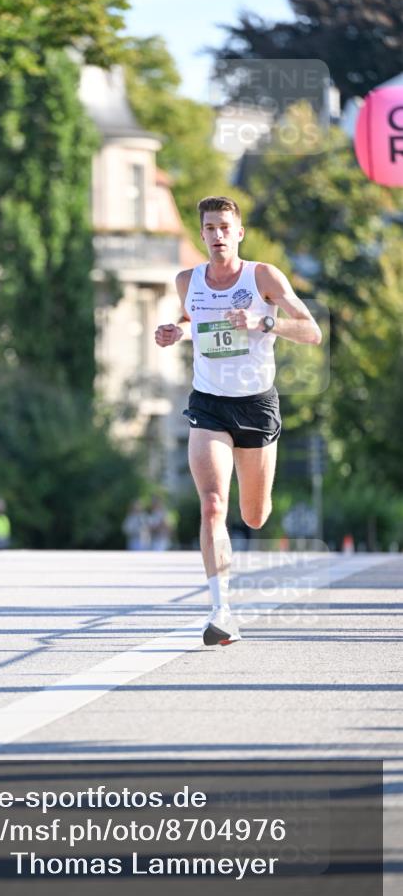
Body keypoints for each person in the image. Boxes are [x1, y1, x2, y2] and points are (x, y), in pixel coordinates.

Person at [155, 196, 321, 646]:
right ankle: (221, 610)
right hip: (209, 404)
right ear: (202, 233)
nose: (218, 235)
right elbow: (196, 322)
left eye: (226, 227)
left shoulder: (262, 276)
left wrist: (264, 322)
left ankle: (254, 517)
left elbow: (311, 330)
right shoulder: (186, 280)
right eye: (210, 228)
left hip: (256, 405)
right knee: (212, 505)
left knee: (255, 515)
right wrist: (176, 332)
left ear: (239, 232)